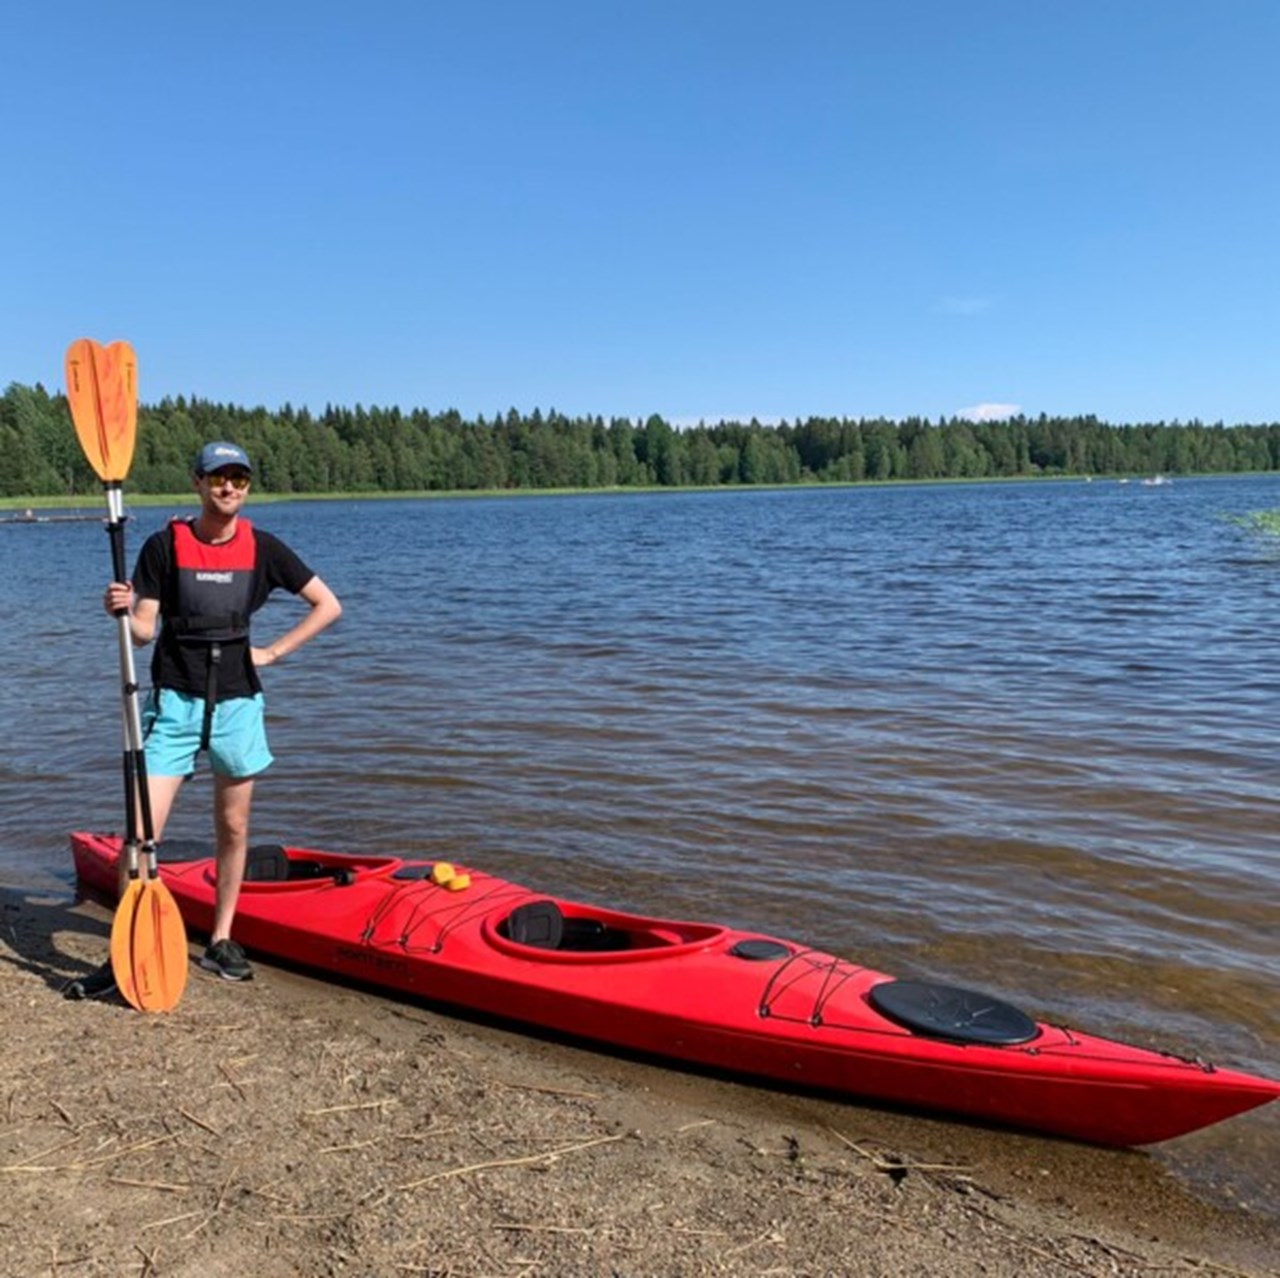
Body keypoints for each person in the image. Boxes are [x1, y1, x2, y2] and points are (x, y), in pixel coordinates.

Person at [65, 441, 342, 998]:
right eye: (218, 478)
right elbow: (145, 630)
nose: (229, 488)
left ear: (247, 488)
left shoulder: (263, 548)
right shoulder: (165, 546)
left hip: (238, 703)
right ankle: (128, 949)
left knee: (234, 827)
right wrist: (120, 611)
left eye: (239, 479)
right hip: (175, 701)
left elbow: (327, 604)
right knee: (142, 837)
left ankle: (220, 939)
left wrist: (273, 652)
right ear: (198, 483)